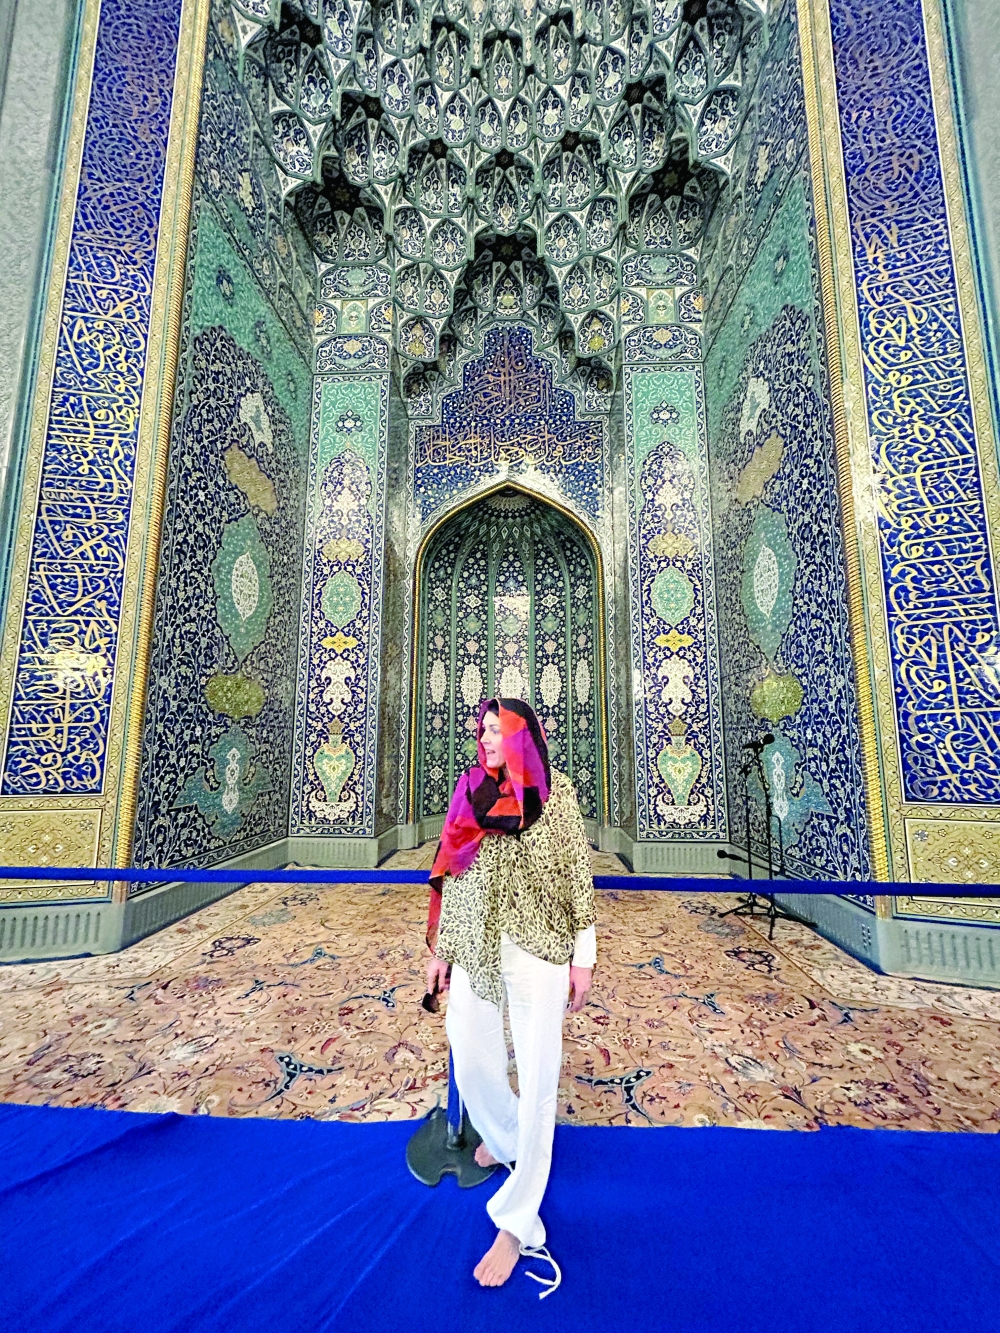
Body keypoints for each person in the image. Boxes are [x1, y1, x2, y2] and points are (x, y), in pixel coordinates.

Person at [425, 697, 596, 1293]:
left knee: (540, 1077)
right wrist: (442, 951)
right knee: (470, 1053)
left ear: (522, 734)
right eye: (483, 730)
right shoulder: (472, 789)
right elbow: (454, 872)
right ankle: (504, 1139)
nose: (486, 739)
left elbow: (577, 877)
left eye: (497, 730)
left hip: (540, 948)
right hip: (477, 942)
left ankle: (517, 1221)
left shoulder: (556, 795)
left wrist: (583, 957)